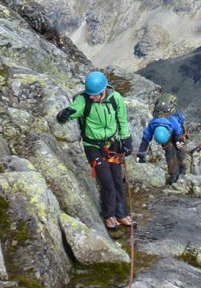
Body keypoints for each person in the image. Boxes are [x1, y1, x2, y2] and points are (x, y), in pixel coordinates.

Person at [56, 71, 134, 231]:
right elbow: (71, 112)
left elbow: (121, 119)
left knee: (118, 180)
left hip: (112, 144)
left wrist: (126, 139)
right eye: (89, 94)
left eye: (95, 95)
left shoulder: (115, 98)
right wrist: (63, 115)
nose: (91, 97)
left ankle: (122, 213)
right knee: (107, 182)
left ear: (103, 90)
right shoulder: (83, 101)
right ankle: (109, 215)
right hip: (93, 147)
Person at [136, 110, 188, 185]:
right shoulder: (152, 124)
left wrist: (178, 141)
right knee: (169, 153)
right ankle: (174, 175)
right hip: (165, 136)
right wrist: (140, 156)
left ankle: (182, 170)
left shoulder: (174, 122)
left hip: (177, 132)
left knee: (180, 150)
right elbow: (145, 141)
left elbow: (179, 133)